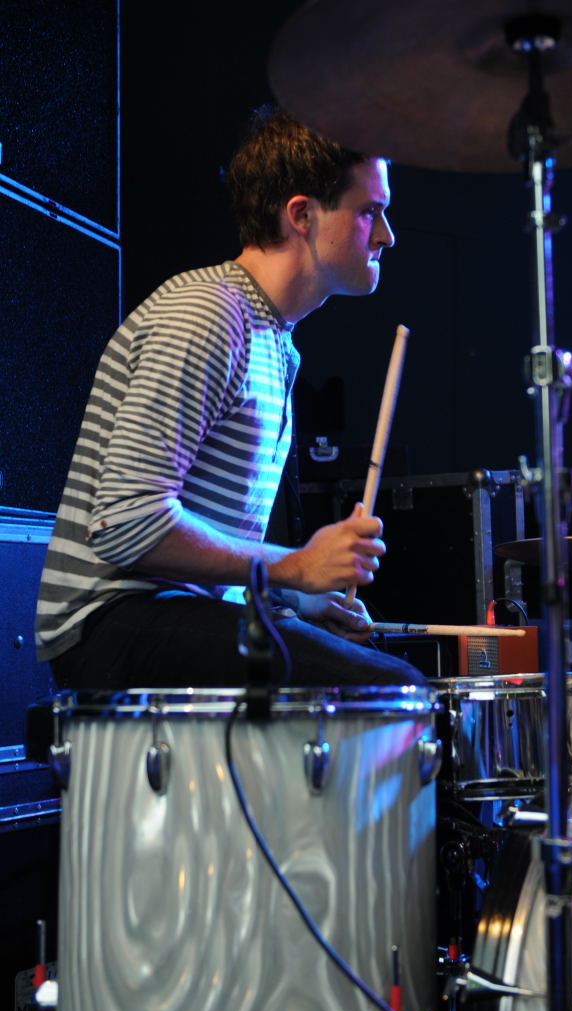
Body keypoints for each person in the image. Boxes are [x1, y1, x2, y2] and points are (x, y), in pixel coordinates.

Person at [35, 105, 424, 691]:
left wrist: (298, 598)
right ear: (302, 215)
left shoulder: (274, 343)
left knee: (381, 683)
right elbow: (126, 524)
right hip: (111, 623)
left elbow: (210, 557)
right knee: (391, 694)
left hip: (179, 613)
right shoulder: (208, 315)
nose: (386, 234)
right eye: (370, 211)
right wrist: (295, 565)